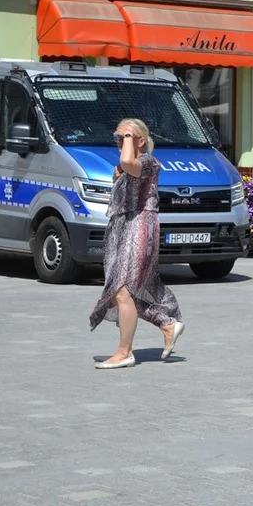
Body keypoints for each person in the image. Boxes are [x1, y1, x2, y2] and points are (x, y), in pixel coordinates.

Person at [90, 119, 184, 369]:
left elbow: (128, 162)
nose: (120, 142)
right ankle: (166, 323)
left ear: (140, 140)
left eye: (126, 137)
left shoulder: (148, 162)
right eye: (118, 137)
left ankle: (125, 352)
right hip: (123, 228)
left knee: (122, 290)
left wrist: (129, 138)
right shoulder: (125, 166)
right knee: (118, 293)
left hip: (140, 225)